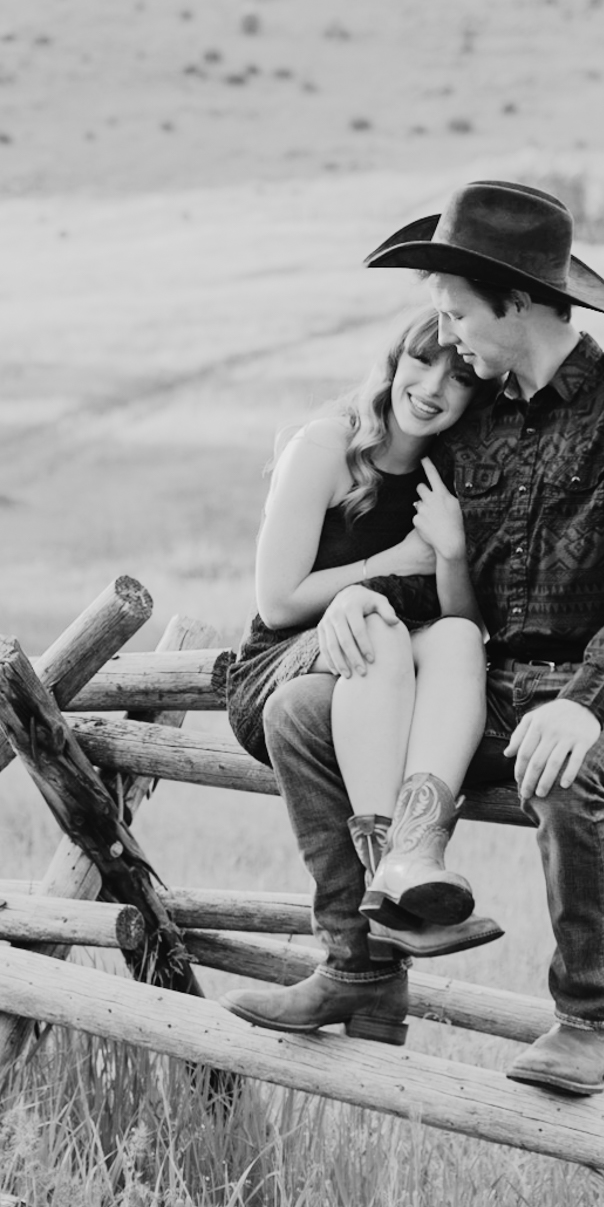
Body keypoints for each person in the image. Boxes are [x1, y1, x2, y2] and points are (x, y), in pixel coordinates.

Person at [226, 180, 604, 1097]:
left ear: (516, 302)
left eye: (459, 315)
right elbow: (437, 565)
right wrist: (350, 602)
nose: (452, 339)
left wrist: (582, 701)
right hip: (486, 684)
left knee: (568, 765)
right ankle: (361, 965)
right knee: (300, 710)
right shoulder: (474, 422)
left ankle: (590, 1020)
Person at [221, 312, 502, 1024]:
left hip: (387, 670)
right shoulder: (327, 446)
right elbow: (277, 599)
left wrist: (450, 553)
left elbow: (459, 618)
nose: (434, 386)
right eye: (422, 361)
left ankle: (412, 857)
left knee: (458, 640)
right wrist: (370, 579)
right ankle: (390, 880)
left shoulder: (452, 473)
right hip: (284, 661)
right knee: (379, 624)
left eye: (461, 375)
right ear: (393, 360)